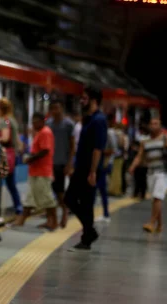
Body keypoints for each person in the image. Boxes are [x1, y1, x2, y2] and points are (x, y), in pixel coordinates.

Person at [65, 86, 108, 252]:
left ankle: (87, 237)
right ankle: (89, 232)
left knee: (85, 202)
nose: (81, 101)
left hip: (88, 169)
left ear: (93, 100)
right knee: (71, 199)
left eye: (84, 98)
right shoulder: (89, 119)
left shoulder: (99, 120)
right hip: (81, 167)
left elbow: (98, 148)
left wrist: (93, 171)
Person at [128, 117, 167, 233]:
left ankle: (152, 223)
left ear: (160, 126)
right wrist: (133, 166)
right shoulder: (145, 141)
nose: (153, 126)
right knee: (155, 199)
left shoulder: (166, 138)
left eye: (156, 123)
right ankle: (160, 224)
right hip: (151, 172)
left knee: (158, 197)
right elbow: (139, 156)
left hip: (163, 172)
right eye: (152, 123)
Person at [13, 113, 58, 230]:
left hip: (43, 171)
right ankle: (23, 218)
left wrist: (30, 158)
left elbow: (45, 150)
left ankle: (53, 221)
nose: (33, 124)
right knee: (30, 196)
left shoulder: (45, 132)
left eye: (35, 122)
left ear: (42, 121)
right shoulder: (40, 132)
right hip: (35, 171)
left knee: (47, 197)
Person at [47, 100, 75, 228]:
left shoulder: (68, 124)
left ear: (62, 109)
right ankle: (51, 219)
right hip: (49, 163)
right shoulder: (49, 124)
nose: (55, 111)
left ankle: (64, 211)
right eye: (53, 109)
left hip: (61, 163)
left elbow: (72, 144)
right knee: (48, 192)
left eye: (57, 108)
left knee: (59, 191)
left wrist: (69, 163)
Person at [0, 98, 23, 216]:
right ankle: (18, 206)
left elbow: (5, 138)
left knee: (0, 182)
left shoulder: (4, 121)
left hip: (4, 155)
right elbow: (17, 140)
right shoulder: (12, 120)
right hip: (12, 154)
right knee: (11, 183)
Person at [95, 113, 117, 223]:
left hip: (103, 165)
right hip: (95, 165)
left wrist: (100, 152)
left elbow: (113, 150)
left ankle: (106, 213)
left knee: (102, 189)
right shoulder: (96, 133)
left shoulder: (109, 134)